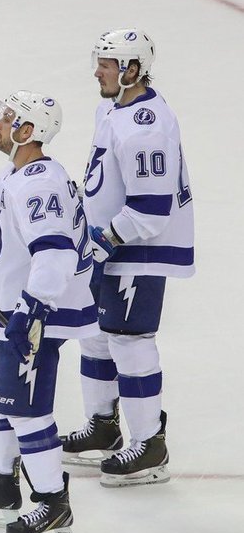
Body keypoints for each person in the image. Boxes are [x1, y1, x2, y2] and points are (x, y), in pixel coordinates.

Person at [0, 91, 98, 533]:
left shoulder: (39, 184)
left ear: (28, 131)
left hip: (36, 314)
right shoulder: (15, 176)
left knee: (27, 412)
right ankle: (6, 487)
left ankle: (54, 505)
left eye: (7, 119)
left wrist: (33, 308)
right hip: (15, 308)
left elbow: (54, 252)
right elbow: (8, 248)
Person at [59, 30, 195, 487]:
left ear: (132, 69)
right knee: (95, 335)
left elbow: (151, 210)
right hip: (110, 244)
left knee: (129, 341)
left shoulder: (147, 128)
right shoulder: (112, 109)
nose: (97, 70)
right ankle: (103, 426)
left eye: (108, 63)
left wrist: (103, 239)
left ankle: (150, 444)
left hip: (137, 249)